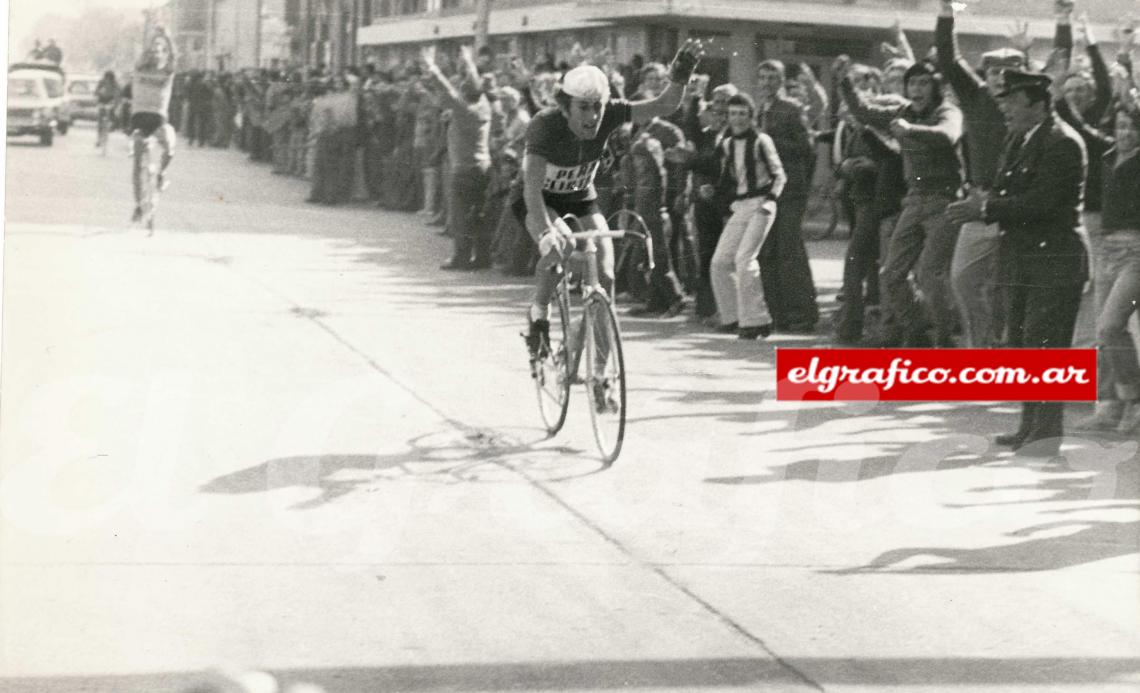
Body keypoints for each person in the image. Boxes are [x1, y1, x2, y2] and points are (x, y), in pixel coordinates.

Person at [518, 41, 704, 406]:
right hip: (542, 199)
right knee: (564, 245)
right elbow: (532, 192)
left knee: (605, 276)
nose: (592, 117)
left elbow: (663, 105)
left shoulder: (611, 113)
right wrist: (545, 236)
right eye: (583, 109)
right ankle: (539, 312)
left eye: (598, 108)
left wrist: (681, 74)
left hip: (580, 194)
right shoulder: (544, 126)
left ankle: (601, 374)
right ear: (564, 106)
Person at [946, 69, 1088, 457]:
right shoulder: (1021, 138)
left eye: (1013, 101)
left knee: (1047, 348)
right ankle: (1029, 427)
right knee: (1025, 345)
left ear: (1038, 104)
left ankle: (1045, 438)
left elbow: (1043, 203)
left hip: (1053, 261)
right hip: (1024, 259)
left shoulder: (1062, 143)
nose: (1005, 107)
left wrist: (986, 208)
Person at [839, 58, 965, 348]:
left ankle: (945, 340)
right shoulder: (901, 111)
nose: (917, 89)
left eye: (923, 83)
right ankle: (917, 331)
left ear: (935, 87)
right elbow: (863, 111)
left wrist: (911, 131)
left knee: (930, 275)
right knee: (892, 274)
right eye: (912, 83)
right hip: (913, 201)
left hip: (944, 201)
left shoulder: (947, 111)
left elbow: (948, 134)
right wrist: (845, 82)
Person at [700, 92, 787, 340]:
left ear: (751, 116)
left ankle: (757, 321)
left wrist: (770, 201)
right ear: (727, 117)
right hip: (741, 205)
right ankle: (733, 317)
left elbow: (779, 175)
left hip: (762, 203)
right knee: (719, 262)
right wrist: (713, 189)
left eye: (742, 114)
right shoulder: (727, 144)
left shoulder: (761, 141)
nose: (737, 119)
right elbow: (727, 177)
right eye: (733, 114)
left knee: (745, 259)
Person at [755, 60, 819, 333]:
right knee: (767, 250)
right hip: (767, 189)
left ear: (781, 81)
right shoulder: (759, 112)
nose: (768, 83)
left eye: (773, 78)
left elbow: (807, 149)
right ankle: (776, 312)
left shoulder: (791, 109)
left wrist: (769, 140)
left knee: (789, 250)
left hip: (791, 190)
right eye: (763, 77)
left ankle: (803, 313)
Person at [421, 45, 495, 270]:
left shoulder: (465, 109)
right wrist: (469, 62)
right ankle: (482, 258)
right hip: (483, 166)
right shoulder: (484, 107)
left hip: (463, 168)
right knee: (480, 214)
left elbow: (448, 91)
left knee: (461, 215)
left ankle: (461, 257)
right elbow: (472, 86)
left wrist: (433, 68)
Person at [129, 28, 178, 222]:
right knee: (137, 164)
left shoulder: (167, 71)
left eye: (159, 52)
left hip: (158, 117)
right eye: (151, 52)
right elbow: (144, 51)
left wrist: (166, 36)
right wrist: (152, 37)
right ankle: (138, 205)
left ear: (164, 53)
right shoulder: (140, 68)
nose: (154, 55)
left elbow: (174, 54)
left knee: (170, 144)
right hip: (139, 117)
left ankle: (162, 173)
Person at [95, 71, 120, 146]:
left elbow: (118, 94)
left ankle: (111, 126)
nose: (108, 80)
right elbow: (96, 92)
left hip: (110, 100)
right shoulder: (101, 82)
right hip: (102, 100)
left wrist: (115, 104)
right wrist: (99, 93)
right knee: (100, 119)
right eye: (106, 78)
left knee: (112, 114)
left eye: (109, 79)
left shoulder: (115, 84)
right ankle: (99, 139)